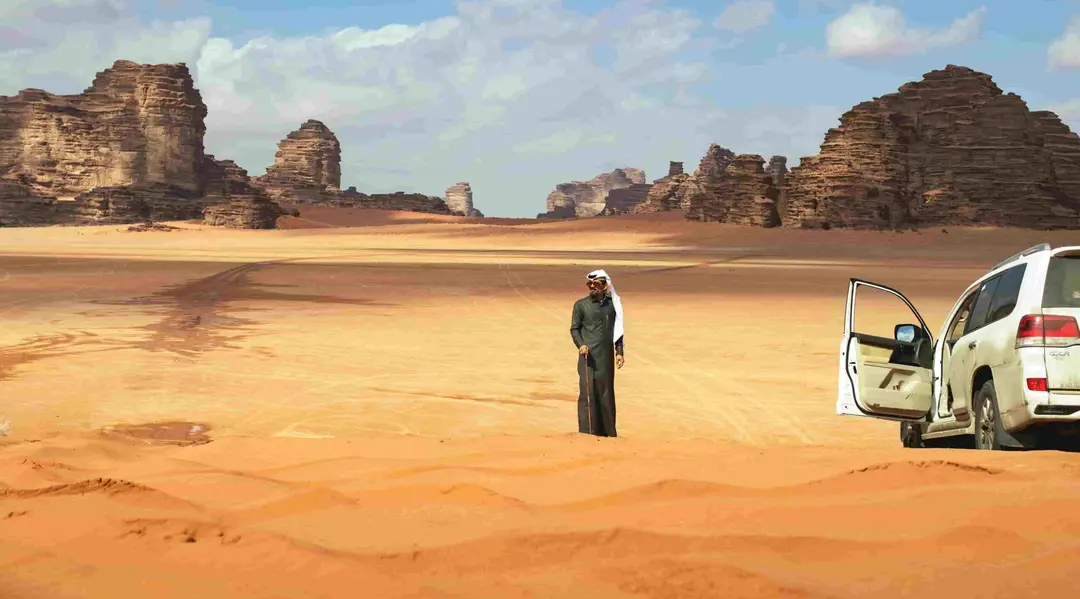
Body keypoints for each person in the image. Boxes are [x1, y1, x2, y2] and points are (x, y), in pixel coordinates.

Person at [570, 269, 624, 437]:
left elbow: (618, 330)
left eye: (596, 284)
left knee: (606, 394)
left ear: (605, 286)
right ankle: (587, 433)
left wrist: (619, 352)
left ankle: (608, 433)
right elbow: (574, 329)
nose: (592, 287)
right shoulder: (581, 305)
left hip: (605, 358)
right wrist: (581, 344)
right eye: (589, 284)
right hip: (587, 357)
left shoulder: (612, 306)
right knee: (587, 394)